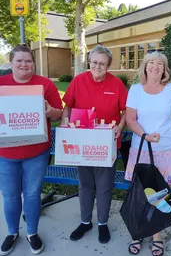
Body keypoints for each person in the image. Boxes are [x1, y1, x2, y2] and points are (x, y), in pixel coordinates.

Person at [61, 45, 128, 244]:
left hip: (106, 145)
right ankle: (85, 221)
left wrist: (121, 127)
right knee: (85, 185)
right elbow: (68, 106)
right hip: (82, 145)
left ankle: (102, 224)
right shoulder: (79, 81)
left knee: (104, 187)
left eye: (102, 63)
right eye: (94, 62)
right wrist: (65, 120)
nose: (98, 66)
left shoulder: (116, 85)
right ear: (89, 62)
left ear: (108, 65)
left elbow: (126, 111)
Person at [0, 44, 63, 255]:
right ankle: (11, 232)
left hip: (36, 152)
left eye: (28, 61)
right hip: (6, 154)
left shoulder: (45, 85)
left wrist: (49, 111)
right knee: (9, 196)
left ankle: (32, 233)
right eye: (19, 61)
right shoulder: (1, 84)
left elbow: (59, 115)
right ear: (11, 63)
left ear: (33, 64)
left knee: (32, 194)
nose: (24, 65)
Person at [125, 51, 171, 256]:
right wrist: (146, 136)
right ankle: (137, 231)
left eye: (159, 64)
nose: (155, 66)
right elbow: (131, 119)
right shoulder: (135, 90)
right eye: (151, 63)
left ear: (164, 69)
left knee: (160, 194)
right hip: (142, 149)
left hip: (168, 151)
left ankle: (156, 235)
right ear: (145, 67)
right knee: (140, 193)